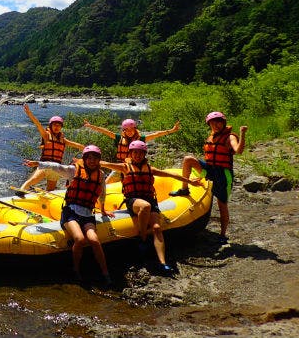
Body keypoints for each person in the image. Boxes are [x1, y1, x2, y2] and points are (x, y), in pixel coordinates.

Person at [100, 140, 202, 275]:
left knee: (157, 228)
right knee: (145, 206)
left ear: (144, 155)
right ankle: (142, 238)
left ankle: (163, 263)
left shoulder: (150, 169)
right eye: (135, 153)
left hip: (149, 199)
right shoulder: (125, 167)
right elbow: (105, 164)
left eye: (140, 153)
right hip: (133, 201)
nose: (137, 155)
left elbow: (172, 175)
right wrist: (83, 161)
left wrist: (189, 181)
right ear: (130, 154)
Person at [23, 145, 113, 285]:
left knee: (94, 240)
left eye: (95, 159)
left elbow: (102, 194)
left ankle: (105, 272)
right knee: (80, 239)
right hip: (70, 212)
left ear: (98, 160)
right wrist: (38, 164)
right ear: (85, 159)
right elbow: (56, 167)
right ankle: (76, 269)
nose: (92, 161)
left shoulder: (101, 175)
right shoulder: (74, 170)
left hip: (88, 214)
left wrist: (102, 210)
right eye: (89, 158)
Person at [169, 111, 247, 244]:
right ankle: (184, 189)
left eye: (219, 122)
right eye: (212, 123)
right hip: (210, 169)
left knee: (222, 204)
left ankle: (222, 235)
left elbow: (238, 150)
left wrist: (242, 133)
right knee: (188, 159)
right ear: (209, 124)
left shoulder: (230, 137)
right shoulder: (212, 136)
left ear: (223, 123)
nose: (216, 125)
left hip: (223, 174)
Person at [83, 118, 180, 183]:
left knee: (134, 184)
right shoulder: (118, 138)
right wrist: (90, 126)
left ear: (135, 129)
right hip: (120, 166)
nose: (129, 132)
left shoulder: (140, 139)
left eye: (131, 129)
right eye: (127, 130)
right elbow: (104, 131)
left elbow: (157, 134)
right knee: (107, 183)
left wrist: (171, 130)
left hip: (134, 167)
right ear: (124, 130)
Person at [18, 103, 85, 193]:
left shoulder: (63, 140)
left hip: (56, 168)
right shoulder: (46, 136)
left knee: (50, 191)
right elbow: (38, 124)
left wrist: (88, 150)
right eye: (55, 125)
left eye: (59, 125)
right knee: (32, 181)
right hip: (45, 165)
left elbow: (79, 146)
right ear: (51, 126)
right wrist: (30, 114)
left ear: (61, 127)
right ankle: (21, 191)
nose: (57, 127)